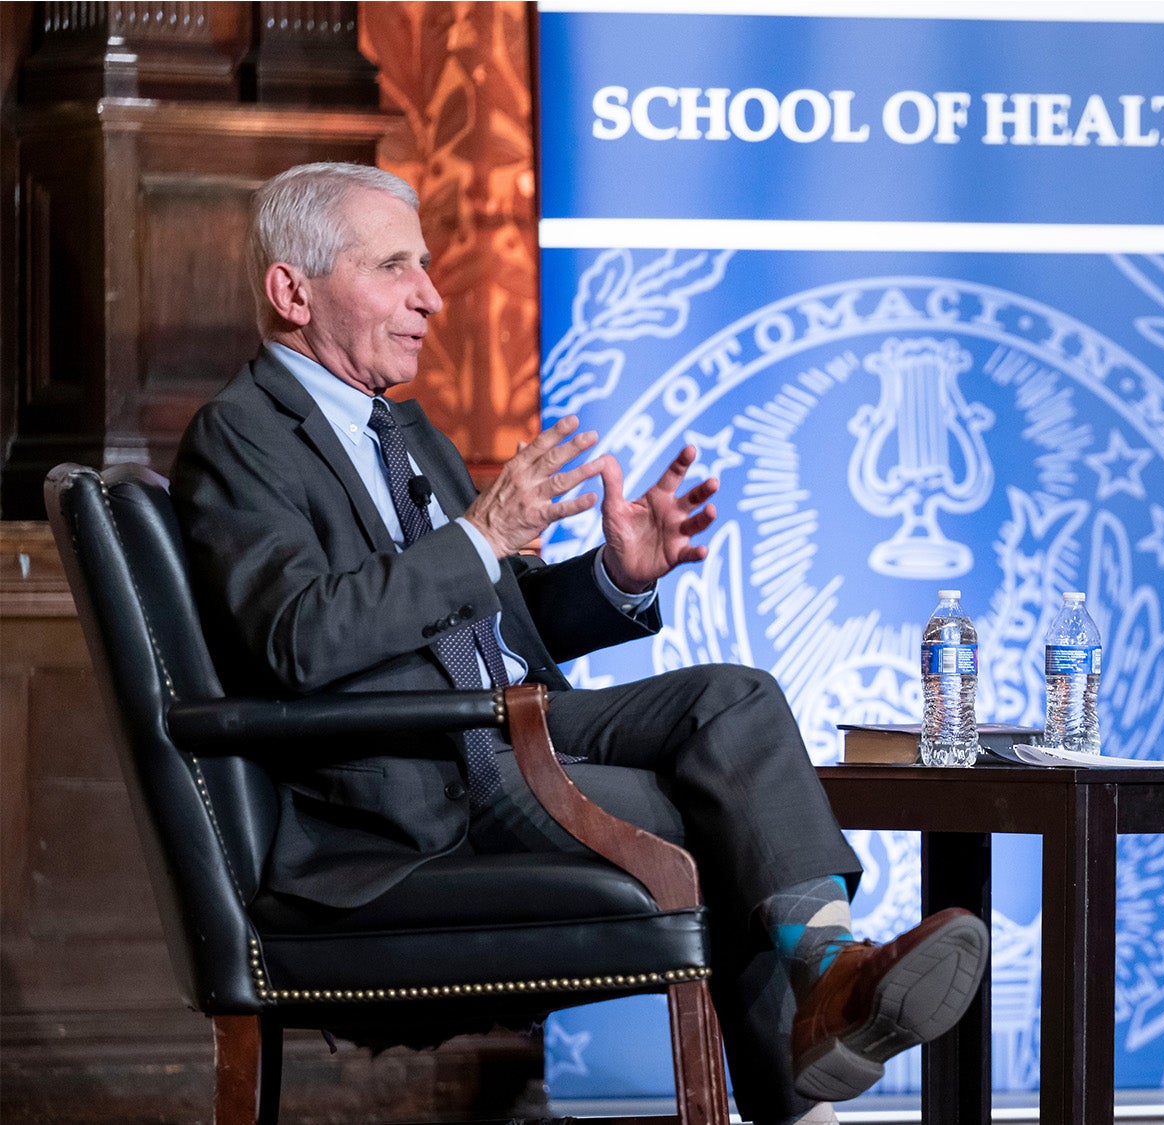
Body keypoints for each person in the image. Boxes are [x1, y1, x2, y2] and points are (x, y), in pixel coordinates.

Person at [172, 162, 987, 1125]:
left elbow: (488, 616)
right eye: (395, 267)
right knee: (728, 825)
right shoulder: (242, 436)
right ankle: (821, 1026)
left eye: (426, 266)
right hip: (424, 777)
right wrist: (478, 536)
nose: (431, 296)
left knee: (737, 696)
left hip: (520, 728)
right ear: (291, 289)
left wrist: (618, 576)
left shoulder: (400, 425)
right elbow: (299, 639)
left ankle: (829, 975)